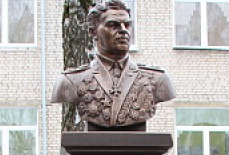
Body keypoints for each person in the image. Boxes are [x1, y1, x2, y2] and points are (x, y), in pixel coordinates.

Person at [51, 0, 176, 130]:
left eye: (127, 25)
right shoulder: (71, 81)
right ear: (92, 32)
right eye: (113, 25)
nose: (123, 31)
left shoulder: (157, 80)